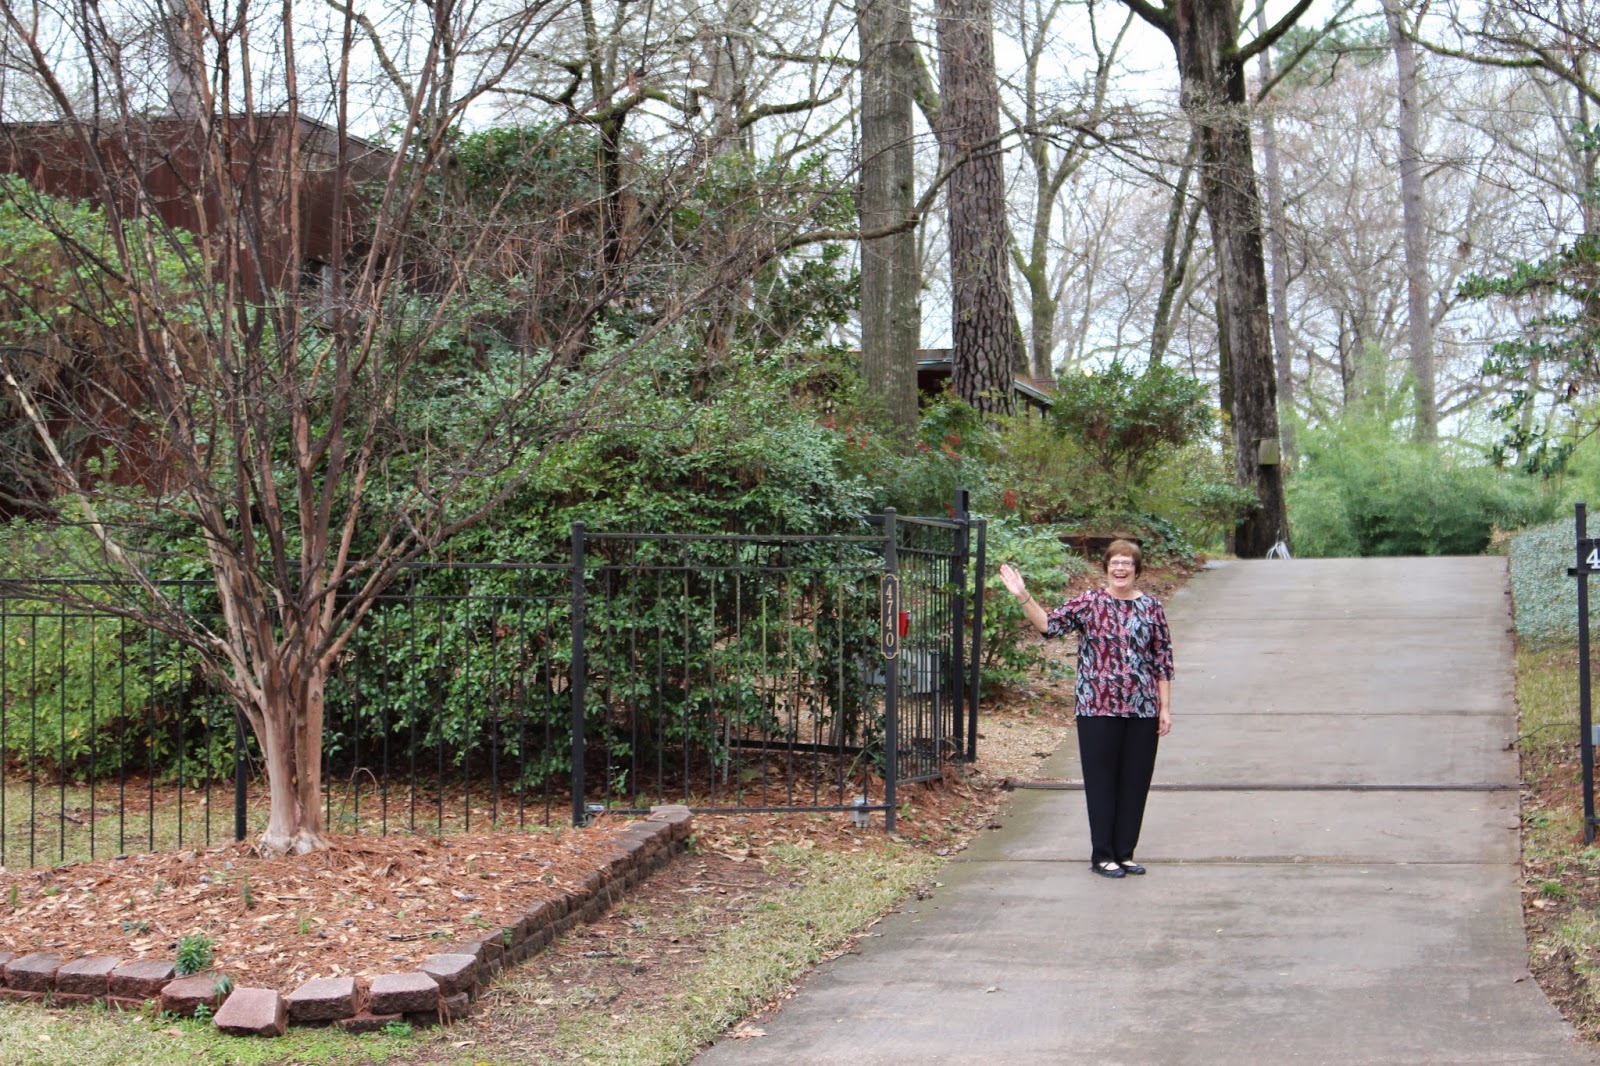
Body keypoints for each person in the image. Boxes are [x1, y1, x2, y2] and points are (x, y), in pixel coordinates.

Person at [999, 541, 1173, 879]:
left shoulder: (1152, 607)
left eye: (1127, 563)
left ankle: (1124, 853)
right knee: (1102, 782)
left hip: (1143, 708)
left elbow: (1162, 659)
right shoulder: (1090, 602)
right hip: (1097, 707)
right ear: (1106, 568)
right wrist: (1023, 595)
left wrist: (1165, 707)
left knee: (1136, 781)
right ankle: (1103, 855)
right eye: (1115, 562)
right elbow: (1049, 626)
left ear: (1137, 569)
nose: (1120, 568)